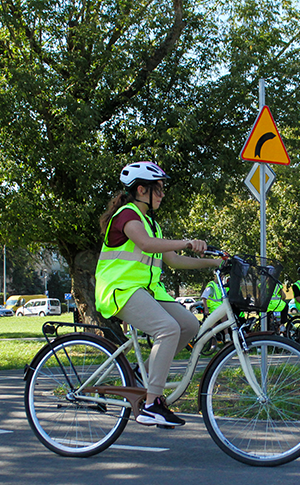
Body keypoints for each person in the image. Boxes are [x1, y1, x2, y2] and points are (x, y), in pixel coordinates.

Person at [95, 161, 223, 427]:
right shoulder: (127, 215)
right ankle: (152, 403)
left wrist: (214, 262)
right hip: (120, 290)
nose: (163, 194)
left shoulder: (151, 223)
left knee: (188, 325)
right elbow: (146, 244)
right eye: (159, 189)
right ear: (142, 190)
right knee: (167, 329)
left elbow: (174, 261)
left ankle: (148, 380)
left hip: (149, 292)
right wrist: (189, 241)